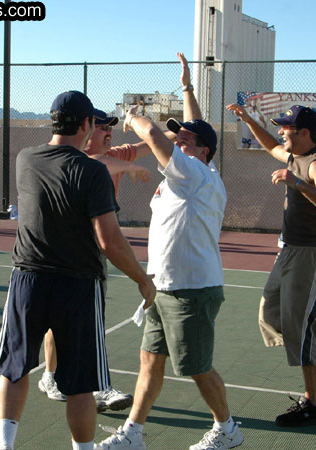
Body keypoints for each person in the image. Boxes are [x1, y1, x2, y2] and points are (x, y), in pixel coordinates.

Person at [0, 90, 156, 450]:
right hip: (78, 285)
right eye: (95, 123)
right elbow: (109, 240)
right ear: (85, 125)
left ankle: (5, 446)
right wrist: (143, 280)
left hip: (26, 279)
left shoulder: (25, 159)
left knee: (14, 368)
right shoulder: (92, 171)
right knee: (81, 384)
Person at [97, 54, 243, 450]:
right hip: (162, 287)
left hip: (191, 289)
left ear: (204, 152)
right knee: (150, 360)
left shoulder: (195, 174)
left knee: (196, 367)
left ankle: (227, 428)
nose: (179, 140)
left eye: (186, 140)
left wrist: (134, 118)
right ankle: (133, 433)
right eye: (178, 136)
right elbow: (193, 131)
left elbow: (160, 139)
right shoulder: (188, 174)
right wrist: (187, 88)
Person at [226, 103, 316, 427]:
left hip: (309, 254)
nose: (281, 131)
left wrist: (298, 184)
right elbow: (271, 146)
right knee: (270, 313)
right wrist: (249, 119)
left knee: (301, 325)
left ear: (304, 133)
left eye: (287, 127)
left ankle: (311, 403)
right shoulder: (294, 156)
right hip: (288, 251)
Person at [38, 108, 152, 413]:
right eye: (102, 126)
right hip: (73, 256)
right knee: (83, 324)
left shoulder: (116, 154)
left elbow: (150, 144)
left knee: (64, 322)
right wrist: (127, 170)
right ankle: (97, 387)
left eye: (110, 126)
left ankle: (52, 376)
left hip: (83, 257)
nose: (108, 130)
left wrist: (171, 132)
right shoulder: (79, 159)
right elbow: (97, 163)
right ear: (87, 130)